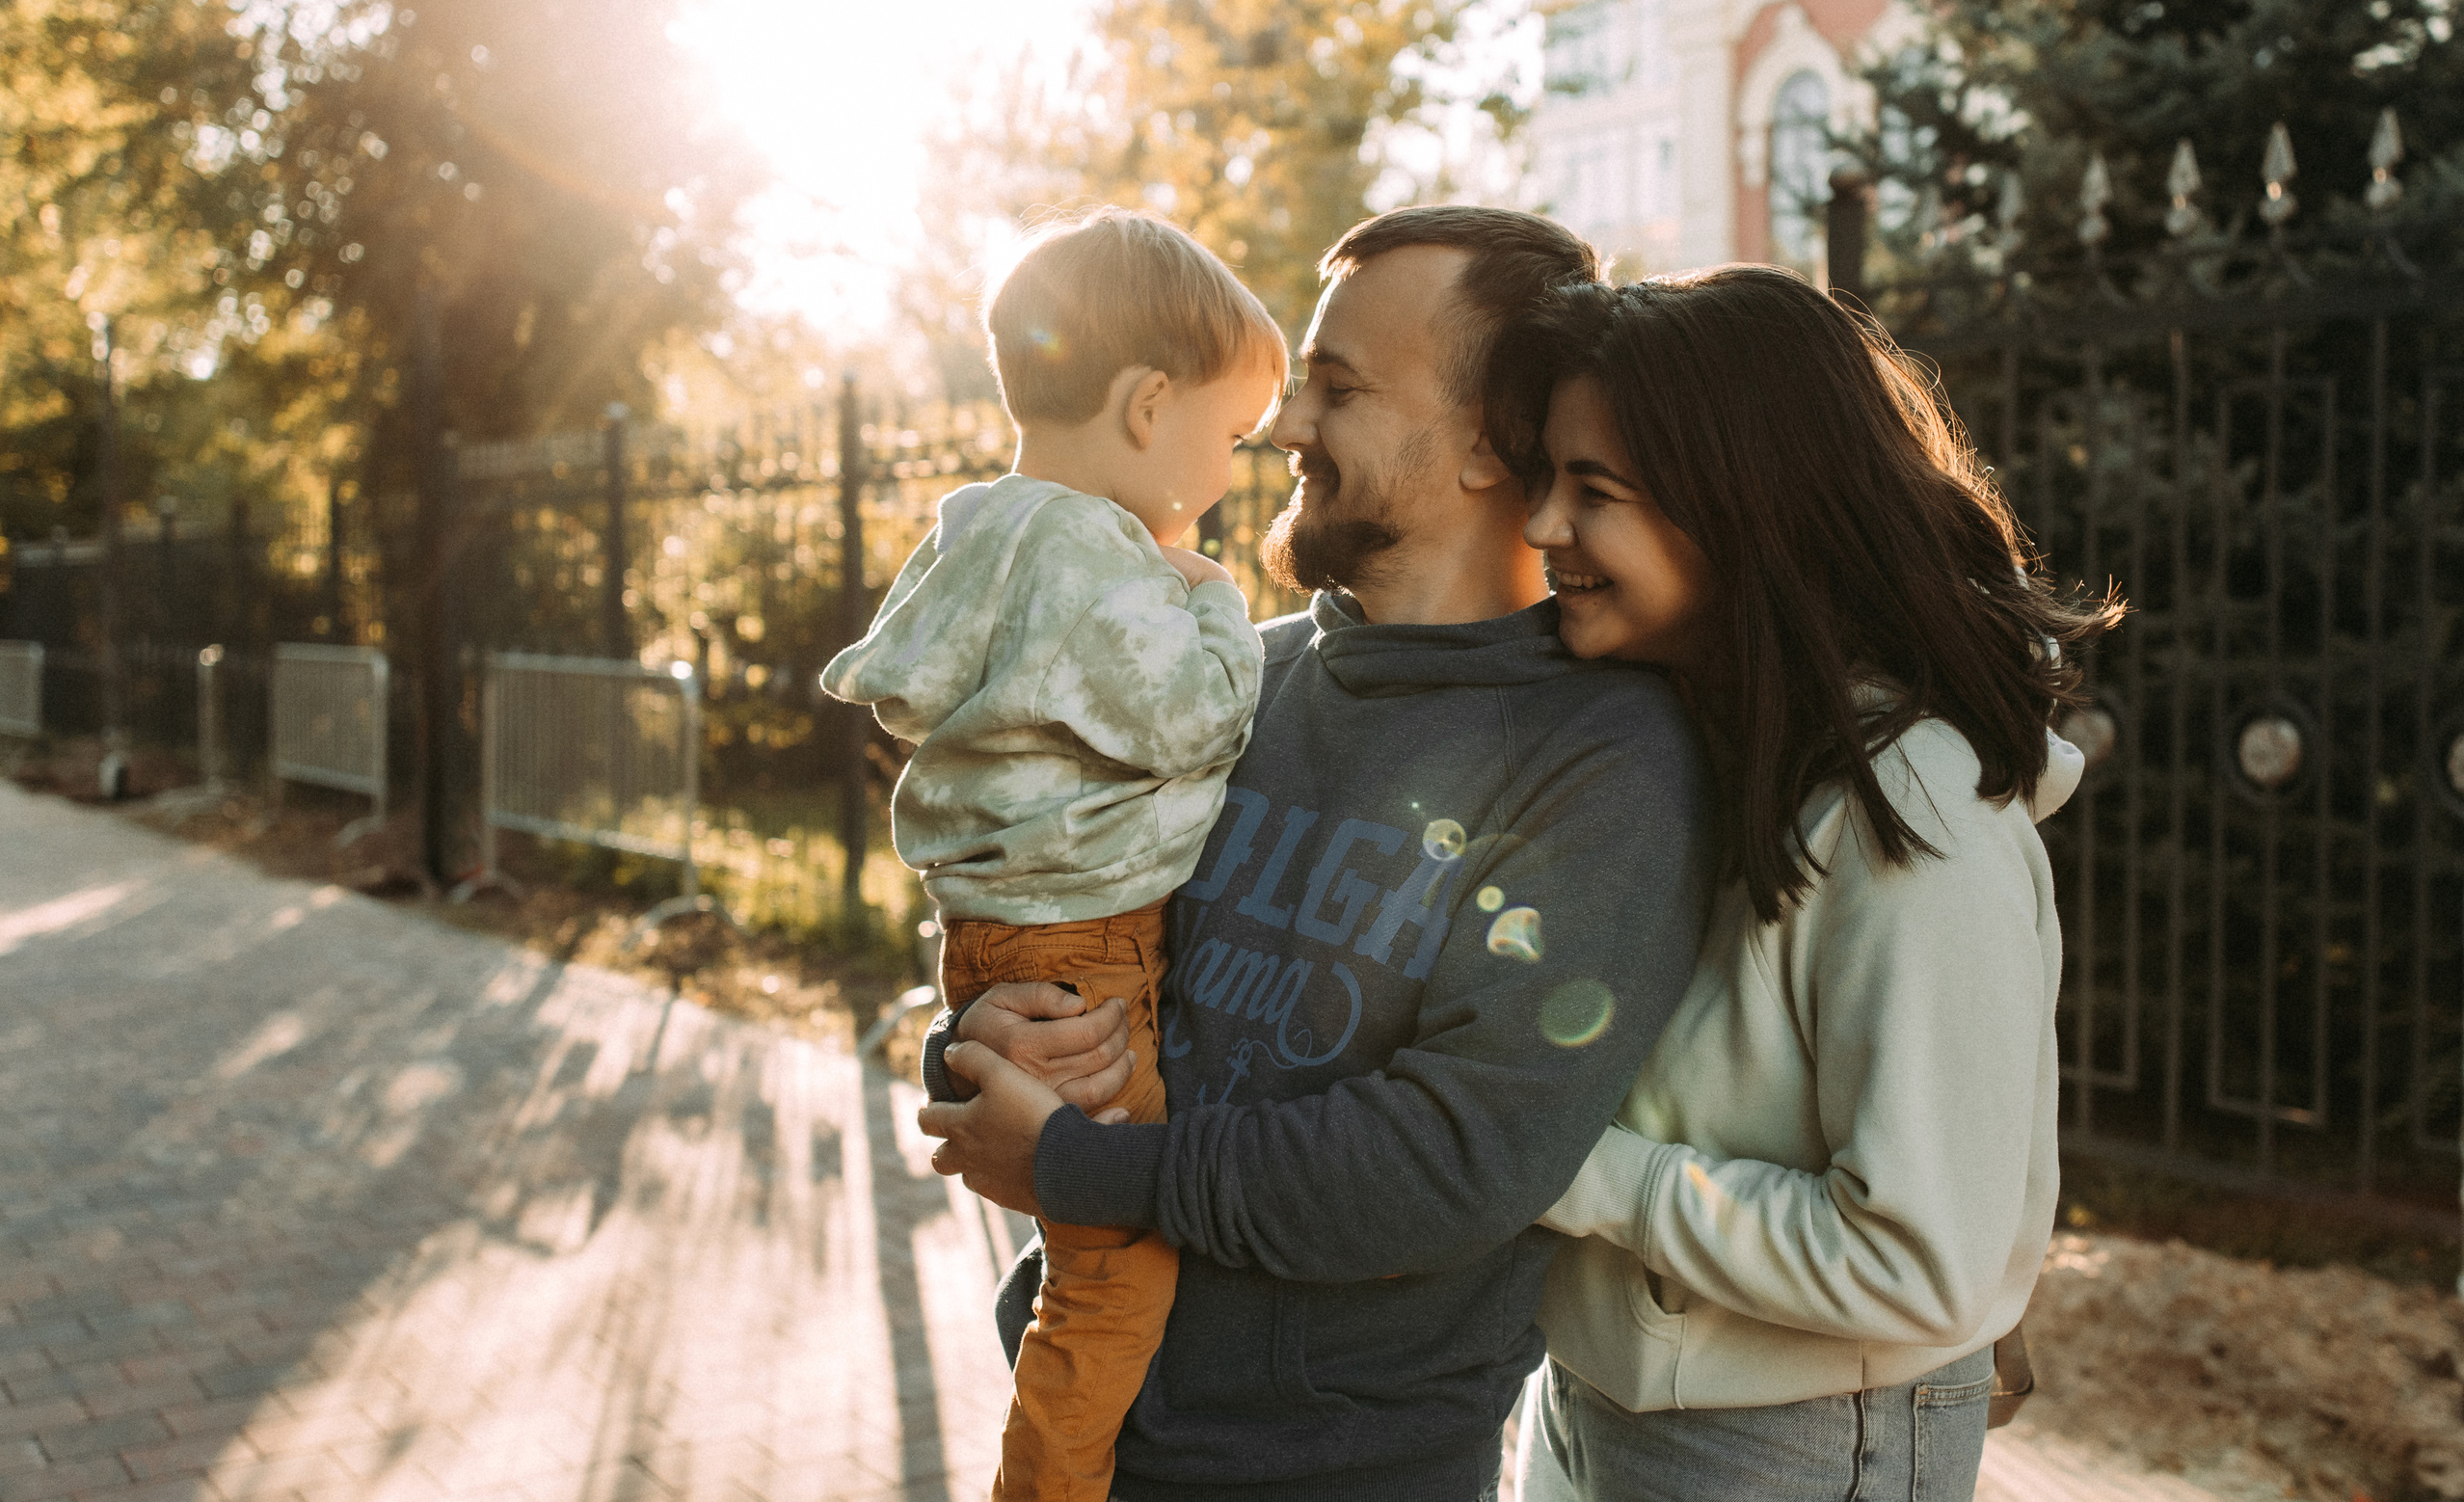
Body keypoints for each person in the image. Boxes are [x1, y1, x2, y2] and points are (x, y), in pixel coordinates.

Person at [918, 206, 1712, 1502]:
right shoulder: (1226, 682)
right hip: (1084, 1423)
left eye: (1339, 390)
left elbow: (1454, 1159)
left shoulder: (1607, 763)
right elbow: (1039, 911)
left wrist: (1073, 1165)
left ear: (1487, 443)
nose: (1286, 428)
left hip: (1337, 1468)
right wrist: (984, 1030)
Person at [1490, 266, 2117, 1502]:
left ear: (1740, 505)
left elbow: (1920, 1260)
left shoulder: (1916, 817)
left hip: (1787, 1436)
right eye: (1547, 479)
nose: (1541, 527)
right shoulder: (1695, 750)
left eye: (1594, 491)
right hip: (1609, 1395)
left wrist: (1570, 1168)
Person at [821, 208, 1283, 1502]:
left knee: (1069, 1242)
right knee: (1114, 1267)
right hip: (1081, 947)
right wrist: (1213, 598)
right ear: (1149, 405)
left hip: (1004, 937)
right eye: (1231, 437)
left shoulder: (982, 534)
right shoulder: (1098, 561)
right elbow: (1192, 712)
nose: (1233, 473)